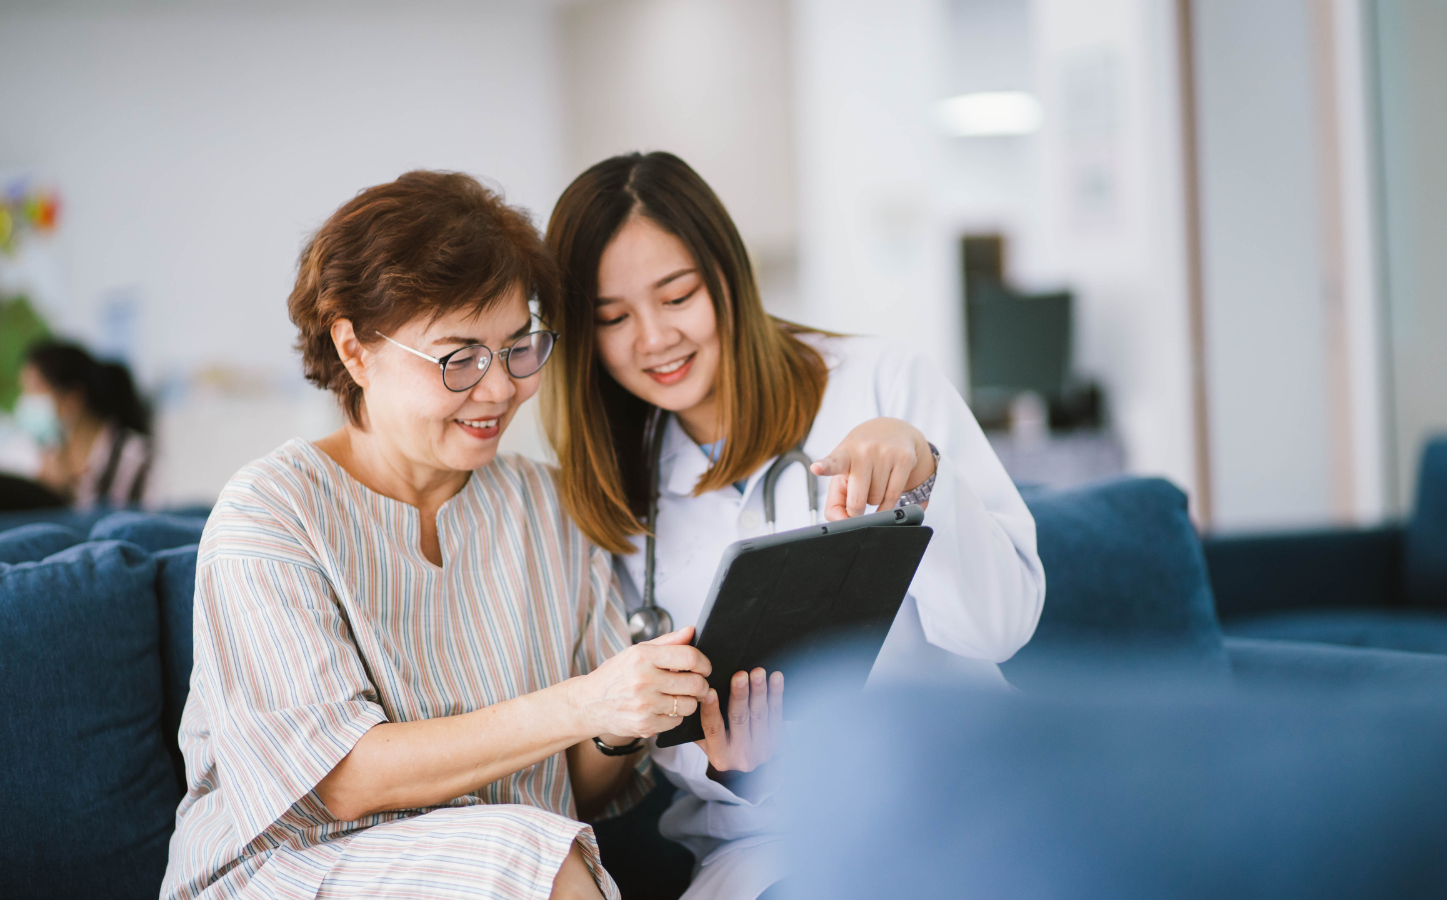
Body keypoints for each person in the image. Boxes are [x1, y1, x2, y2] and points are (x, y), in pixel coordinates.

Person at [161, 171, 716, 900]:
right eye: (459, 358)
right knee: (530, 859)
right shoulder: (271, 513)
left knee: (533, 851)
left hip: (506, 862)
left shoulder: (544, 507)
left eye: (519, 347)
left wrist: (617, 722)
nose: (498, 389)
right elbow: (344, 780)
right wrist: (582, 701)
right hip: (294, 869)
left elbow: (573, 788)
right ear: (355, 350)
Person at [542, 152, 1047, 900]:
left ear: (727, 277)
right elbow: (639, 733)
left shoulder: (882, 382)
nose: (653, 339)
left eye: (677, 295)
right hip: (771, 844)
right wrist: (741, 766)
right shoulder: (612, 490)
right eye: (612, 318)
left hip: (956, 787)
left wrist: (925, 475)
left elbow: (1001, 627)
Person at [18, 340, 155, 508]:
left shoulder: (135, 457)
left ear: (72, 398)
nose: (26, 402)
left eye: (35, 390)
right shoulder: (48, 461)